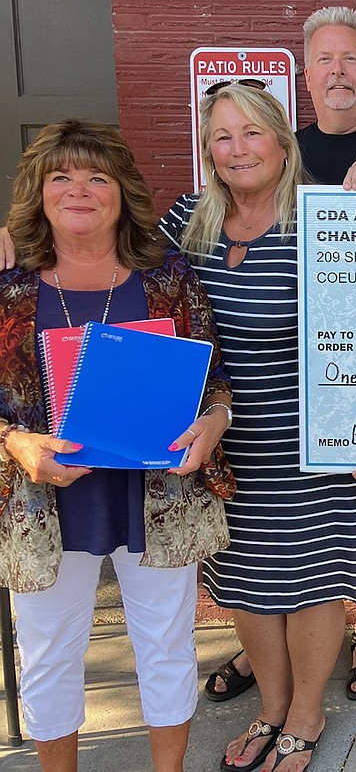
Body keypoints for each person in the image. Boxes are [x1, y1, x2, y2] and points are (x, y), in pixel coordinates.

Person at [205, 5, 356, 705]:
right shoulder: (287, 151)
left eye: (350, 59)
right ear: (306, 77)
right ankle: (274, 650)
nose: (338, 71)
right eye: (324, 61)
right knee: (274, 537)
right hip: (268, 397)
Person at [162, 83, 356, 772]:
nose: (237, 149)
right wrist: (18, 236)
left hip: (314, 437)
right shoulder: (186, 217)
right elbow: (109, 265)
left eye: (252, 132)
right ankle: (269, 704)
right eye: (223, 136)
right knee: (246, 580)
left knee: (314, 579)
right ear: (208, 149)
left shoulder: (322, 216)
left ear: (282, 141)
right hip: (224, 440)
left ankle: (305, 711)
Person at [0, 120, 233, 772]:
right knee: (47, 652)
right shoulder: (8, 278)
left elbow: (214, 380)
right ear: (38, 192)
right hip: (43, 501)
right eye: (62, 176)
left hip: (156, 493)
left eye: (97, 176)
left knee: (165, 644)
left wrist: (213, 423)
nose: (80, 189)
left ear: (122, 191)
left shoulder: (166, 275)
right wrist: (16, 444)